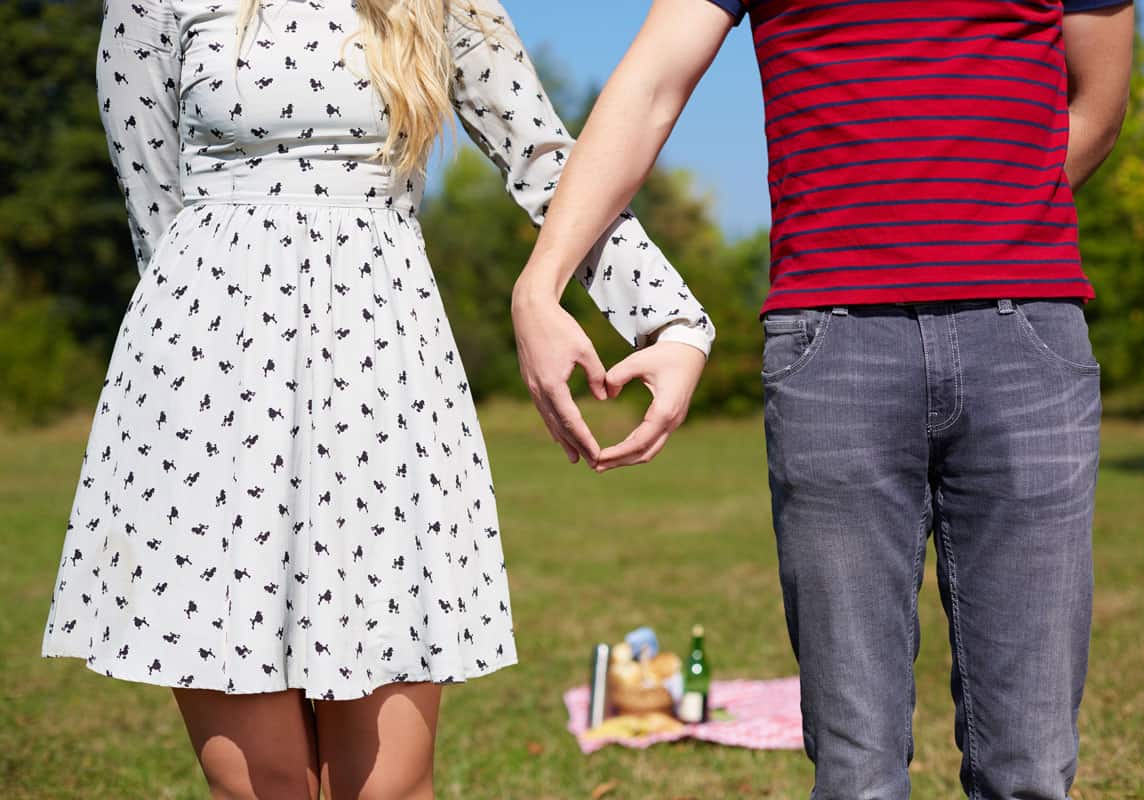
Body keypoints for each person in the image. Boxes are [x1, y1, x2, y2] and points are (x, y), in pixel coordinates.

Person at [40, 0, 712, 797]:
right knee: (262, 785)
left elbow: (546, 160)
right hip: (209, 378)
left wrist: (668, 319)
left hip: (382, 376)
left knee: (390, 782)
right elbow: (152, 207)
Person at [512, 0, 1134, 796]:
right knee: (855, 771)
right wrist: (542, 280)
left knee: (1032, 766)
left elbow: (1099, 103)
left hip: (1026, 340)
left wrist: (974, 222)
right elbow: (652, 84)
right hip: (833, 347)